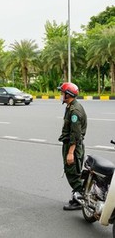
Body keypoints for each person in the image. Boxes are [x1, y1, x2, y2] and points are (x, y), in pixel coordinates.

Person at [57, 82, 87, 210]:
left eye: (62, 93)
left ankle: (80, 199)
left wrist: (70, 153)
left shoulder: (75, 111)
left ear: (68, 95)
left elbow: (75, 134)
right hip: (70, 145)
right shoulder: (70, 106)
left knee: (73, 173)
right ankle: (77, 197)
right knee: (73, 172)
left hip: (73, 147)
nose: (61, 95)